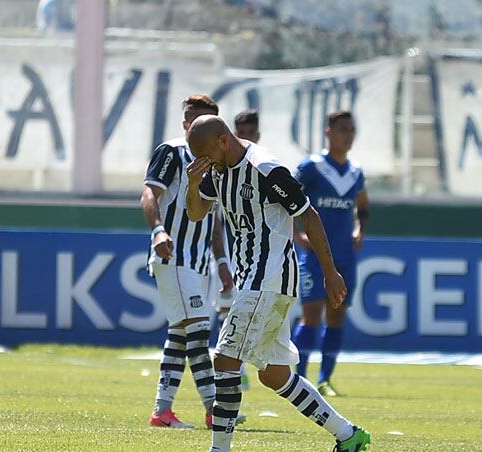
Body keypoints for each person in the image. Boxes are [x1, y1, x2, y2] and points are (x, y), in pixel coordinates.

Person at [184, 115, 370, 452]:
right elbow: (196, 213)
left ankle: (219, 449)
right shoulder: (216, 169)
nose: (203, 162)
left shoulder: (266, 170)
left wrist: (330, 271)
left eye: (206, 154)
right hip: (252, 281)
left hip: (268, 278)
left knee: (225, 360)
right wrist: (192, 185)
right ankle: (348, 434)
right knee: (273, 374)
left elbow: (308, 215)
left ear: (223, 141)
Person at [141, 94, 242, 430]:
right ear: (184, 123)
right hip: (173, 256)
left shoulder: (215, 161)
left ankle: (162, 411)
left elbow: (212, 217)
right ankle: (214, 408)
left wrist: (222, 260)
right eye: (190, 119)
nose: (192, 126)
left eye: (201, 121)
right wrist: (158, 230)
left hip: (198, 264)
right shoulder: (171, 152)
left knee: (181, 334)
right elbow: (149, 193)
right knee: (198, 331)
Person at [292, 111, 369, 397]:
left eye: (351, 130)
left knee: (336, 317)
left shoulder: (356, 171)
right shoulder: (312, 167)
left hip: (345, 256)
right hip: (315, 256)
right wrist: (295, 234)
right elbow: (284, 198)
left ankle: (325, 380)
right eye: (342, 129)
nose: (348, 135)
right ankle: (297, 379)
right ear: (328, 132)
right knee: (310, 315)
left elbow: (363, 205)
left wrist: (360, 229)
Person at [210, 108, 263, 391]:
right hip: (232, 258)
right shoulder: (221, 170)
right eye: (240, 133)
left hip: (261, 261)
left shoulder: (265, 167)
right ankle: (232, 371)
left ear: (258, 135)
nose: (246, 138)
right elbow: (214, 225)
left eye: (250, 133)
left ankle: (237, 366)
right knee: (228, 314)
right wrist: (221, 262)